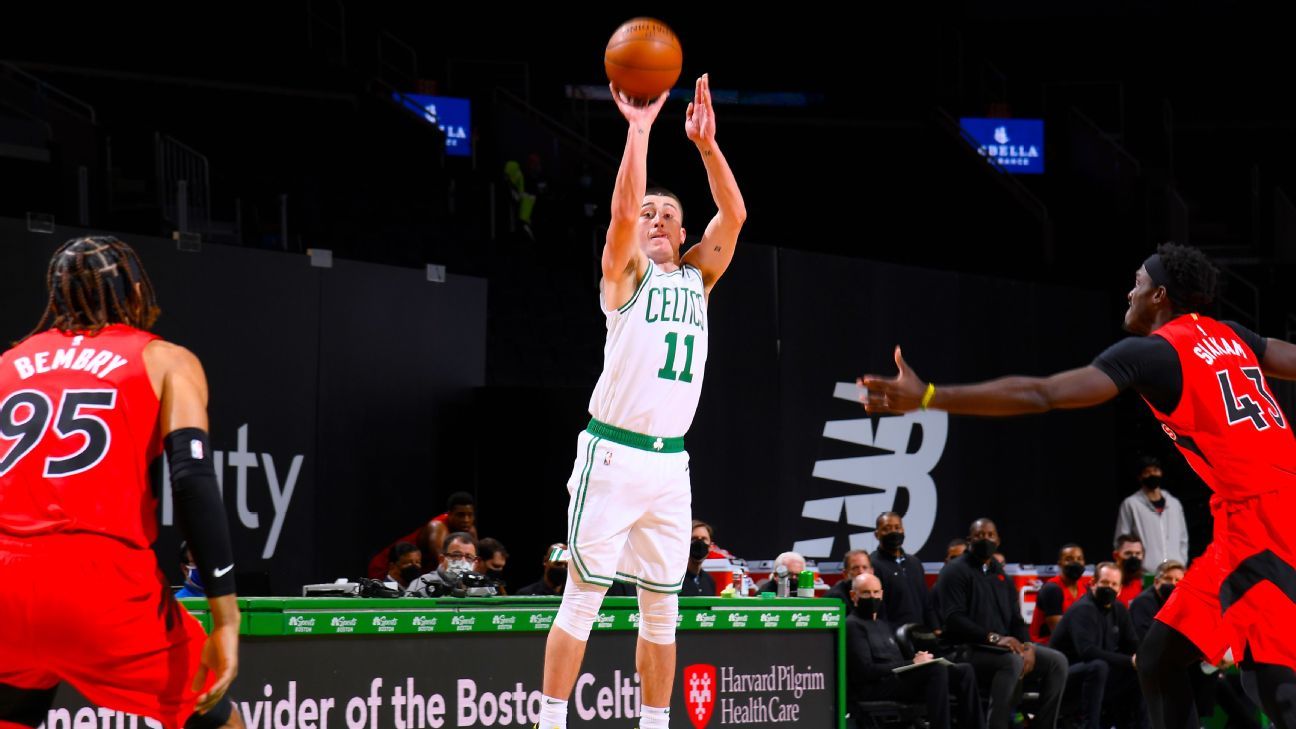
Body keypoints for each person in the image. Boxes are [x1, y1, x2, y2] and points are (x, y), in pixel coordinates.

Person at [860, 242, 1296, 729]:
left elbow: (1042, 394)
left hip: (1264, 520)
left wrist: (929, 396)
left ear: (1160, 295)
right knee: (1159, 661)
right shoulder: (1230, 335)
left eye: (1139, 282)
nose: (1131, 292)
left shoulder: (1154, 351)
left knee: (1275, 686)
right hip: (1250, 515)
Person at [536, 73, 747, 729]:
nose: (655, 219)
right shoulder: (627, 275)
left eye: (669, 214)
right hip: (613, 453)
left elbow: (734, 215)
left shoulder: (699, 276)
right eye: (649, 213)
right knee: (582, 599)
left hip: (669, 466)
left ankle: (654, 724)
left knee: (664, 608)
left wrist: (708, 148)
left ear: (684, 233)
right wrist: (639, 129)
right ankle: (548, 720)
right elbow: (624, 213)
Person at [0, 236, 242, 729]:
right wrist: (227, 619)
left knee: (14, 710)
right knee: (214, 719)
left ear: (57, 295)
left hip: (6, 575)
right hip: (99, 580)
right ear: (135, 289)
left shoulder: (7, 365)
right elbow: (192, 480)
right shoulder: (166, 359)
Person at [846, 573, 983, 729]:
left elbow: (896, 660)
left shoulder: (882, 624)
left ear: (882, 594)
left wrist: (918, 660)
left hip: (897, 680)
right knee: (936, 671)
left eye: (876, 592)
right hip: (875, 687)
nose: (872, 597)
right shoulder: (853, 625)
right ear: (853, 595)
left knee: (964, 670)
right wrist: (912, 663)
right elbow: (866, 671)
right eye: (866, 592)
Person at [1114, 457, 1188, 572]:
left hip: (1174, 572)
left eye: (1155, 470)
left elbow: (1183, 539)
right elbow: (1122, 539)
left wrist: (1181, 561)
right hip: (1146, 572)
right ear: (1140, 477)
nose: (1152, 475)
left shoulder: (1174, 504)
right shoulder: (1131, 504)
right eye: (1147, 472)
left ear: (1161, 472)